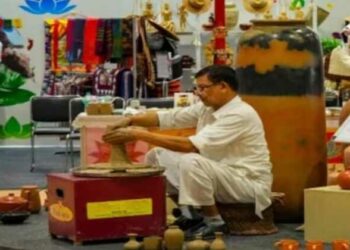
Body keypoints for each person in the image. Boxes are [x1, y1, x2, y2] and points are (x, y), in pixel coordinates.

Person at [102, 65, 273, 239]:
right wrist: (129, 120)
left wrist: (139, 134)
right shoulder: (207, 108)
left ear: (223, 86)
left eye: (203, 88)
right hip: (220, 174)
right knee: (157, 155)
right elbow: (168, 118)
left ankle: (214, 222)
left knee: (191, 161)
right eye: (196, 88)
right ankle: (190, 215)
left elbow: (190, 146)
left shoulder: (239, 114)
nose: (198, 93)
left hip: (246, 183)